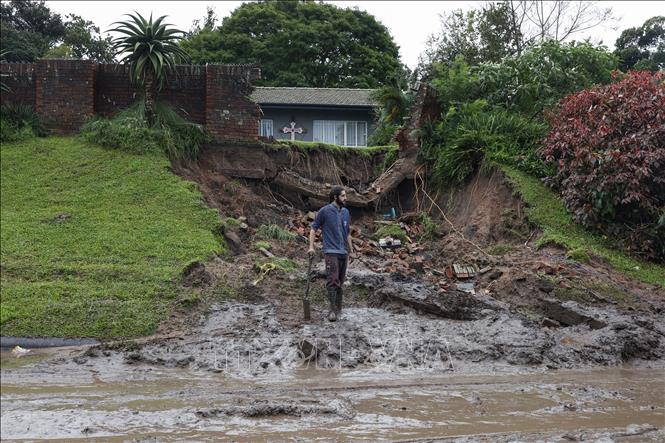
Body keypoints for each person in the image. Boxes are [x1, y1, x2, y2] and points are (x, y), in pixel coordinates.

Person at [308, 186, 354, 321]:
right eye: (343, 196)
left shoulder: (345, 212)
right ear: (335, 197)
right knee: (332, 280)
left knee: (341, 280)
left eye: (345, 196)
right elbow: (313, 228)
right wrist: (311, 247)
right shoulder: (324, 211)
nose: (346, 198)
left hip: (343, 252)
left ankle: (339, 309)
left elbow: (347, 233)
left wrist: (351, 249)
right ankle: (332, 310)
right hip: (331, 251)